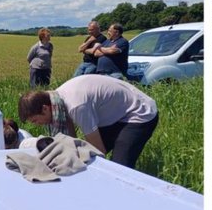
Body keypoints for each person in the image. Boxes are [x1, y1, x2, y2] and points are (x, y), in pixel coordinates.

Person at [18, 73, 159, 170]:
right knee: (83, 154)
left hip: (139, 113)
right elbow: (70, 140)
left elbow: (98, 150)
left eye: (35, 120)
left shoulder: (76, 106)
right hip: (117, 113)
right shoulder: (57, 100)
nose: (37, 124)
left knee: (119, 166)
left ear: (45, 109)